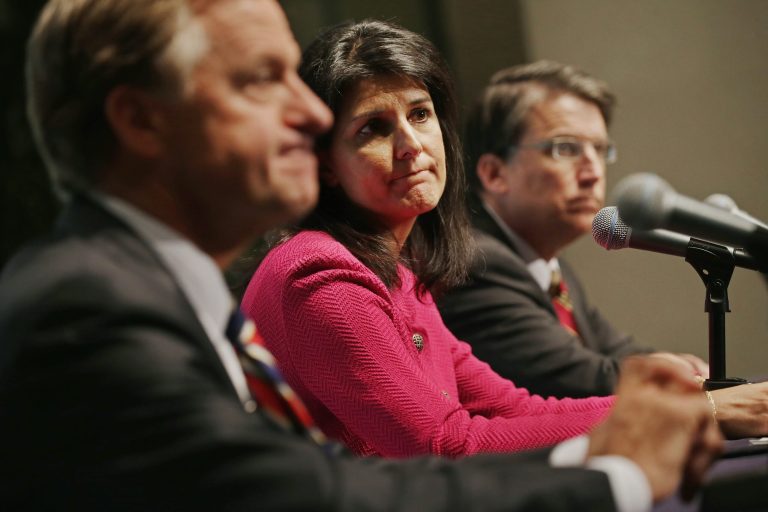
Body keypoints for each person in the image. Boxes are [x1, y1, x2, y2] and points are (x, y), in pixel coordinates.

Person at [0, 1, 720, 510]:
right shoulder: (93, 306)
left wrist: (684, 412)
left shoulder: (153, 287)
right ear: (140, 120)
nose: (312, 116)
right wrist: (620, 474)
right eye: (260, 79)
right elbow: (339, 483)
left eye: (420, 113)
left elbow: (498, 408)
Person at [241, 19, 693, 461]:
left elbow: (512, 407)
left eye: (420, 114)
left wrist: (693, 409)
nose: (411, 144)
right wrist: (697, 414)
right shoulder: (320, 275)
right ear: (325, 165)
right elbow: (444, 444)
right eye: (373, 128)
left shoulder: (397, 273)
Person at [437, 60, 768, 439]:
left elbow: (619, 351)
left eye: (599, 149)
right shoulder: (476, 262)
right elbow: (579, 380)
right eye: (565, 149)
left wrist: (675, 369)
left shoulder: (546, 264)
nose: (593, 172)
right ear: (495, 173)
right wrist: (690, 389)